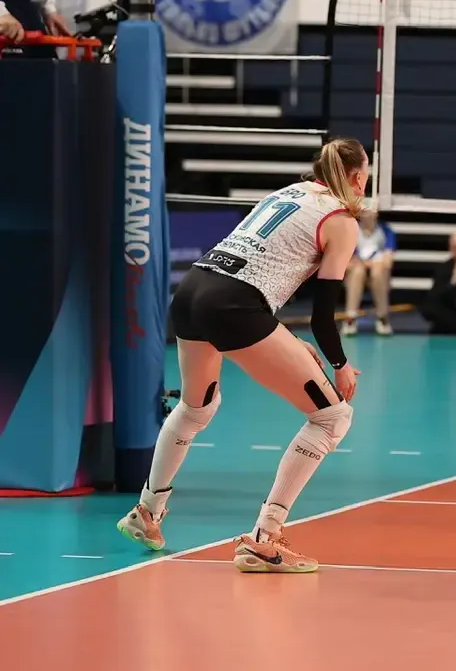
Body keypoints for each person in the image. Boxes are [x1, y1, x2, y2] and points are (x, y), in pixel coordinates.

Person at [114, 140, 369, 573]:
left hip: (193, 290)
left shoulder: (287, 193)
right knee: (332, 417)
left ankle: (147, 511)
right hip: (234, 305)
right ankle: (265, 540)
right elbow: (323, 315)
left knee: (196, 407)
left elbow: (258, 271)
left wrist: (286, 339)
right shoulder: (341, 221)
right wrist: (341, 366)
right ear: (358, 178)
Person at [342, 207, 395, 336]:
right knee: (357, 271)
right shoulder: (351, 230)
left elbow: (388, 261)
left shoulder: (386, 230)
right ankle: (350, 318)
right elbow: (348, 262)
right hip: (357, 270)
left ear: (376, 213)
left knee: (378, 272)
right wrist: (363, 264)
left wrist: (370, 263)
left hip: (378, 270)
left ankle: (382, 317)